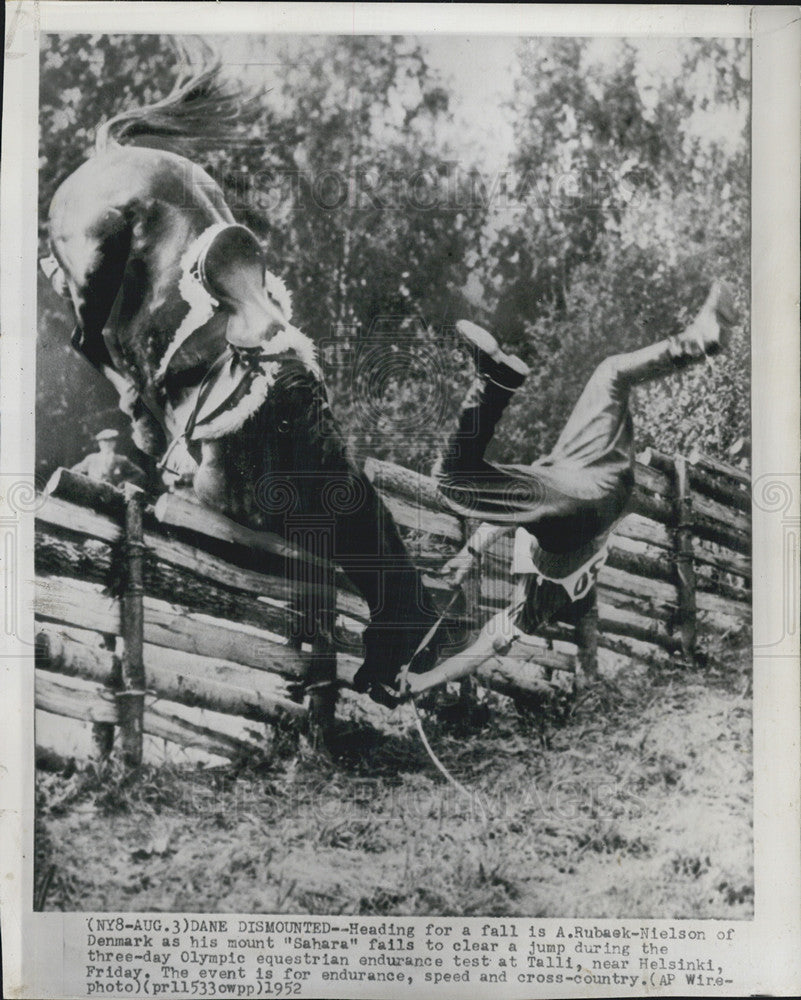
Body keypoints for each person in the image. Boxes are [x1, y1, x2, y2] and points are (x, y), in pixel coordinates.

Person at [417, 282, 738, 690]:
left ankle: (699, 338)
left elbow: (484, 645)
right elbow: (516, 516)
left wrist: (469, 556)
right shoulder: (539, 593)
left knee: (610, 374)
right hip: (592, 485)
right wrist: (471, 554)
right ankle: (494, 382)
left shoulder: (536, 606)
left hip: (596, 486)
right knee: (452, 481)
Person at [70, 429, 146, 488]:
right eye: (104, 441)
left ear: (115, 443)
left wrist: (124, 484)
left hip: (113, 496)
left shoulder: (121, 460)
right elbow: (74, 471)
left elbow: (139, 474)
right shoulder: (92, 458)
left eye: (111, 441)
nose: (108, 444)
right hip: (92, 491)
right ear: (99, 444)